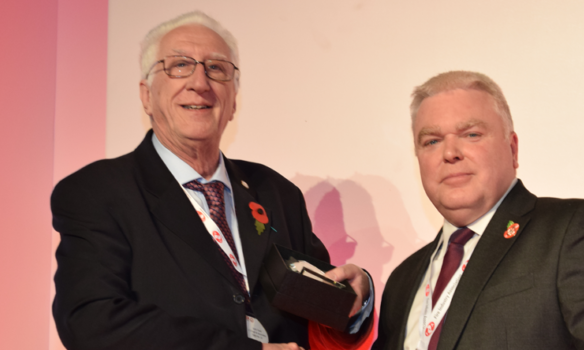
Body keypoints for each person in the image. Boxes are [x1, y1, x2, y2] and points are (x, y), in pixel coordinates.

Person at [51, 11, 372, 350]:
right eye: (179, 66)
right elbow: (91, 321)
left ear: (234, 100)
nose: (200, 83)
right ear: (146, 95)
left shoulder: (277, 193)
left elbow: (319, 320)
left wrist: (354, 301)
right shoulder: (97, 192)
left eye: (216, 69)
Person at [373, 71, 584, 349]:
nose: (450, 153)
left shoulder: (572, 232)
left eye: (471, 134)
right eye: (432, 141)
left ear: (512, 149)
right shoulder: (402, 281)